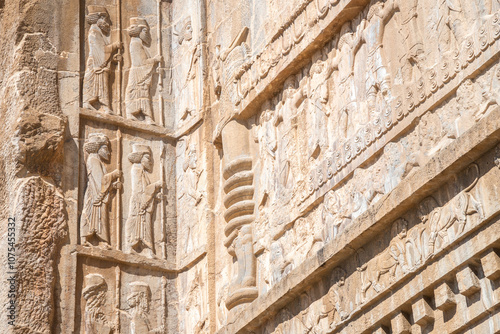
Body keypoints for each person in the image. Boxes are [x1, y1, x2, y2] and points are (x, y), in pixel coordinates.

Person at [81, 133, 121, 249]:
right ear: (97, 148)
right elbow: (101, 180)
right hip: (94, 193)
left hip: (98, 192)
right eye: (105, 149)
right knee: (90, 213)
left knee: (100, 216)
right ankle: (84, 238)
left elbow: (102, 181)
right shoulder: (93, 160)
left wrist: (113, 186)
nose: (108, 152)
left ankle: (102, 240)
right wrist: (113, 175)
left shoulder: (96, 160)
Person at [126, 144, 162, 258]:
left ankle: (146, 249)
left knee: (145, 226)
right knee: (137, 224)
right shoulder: (136, 170)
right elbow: (140, 190)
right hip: (139, 202)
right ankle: (132, 246)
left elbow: (145, 190)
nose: (150, 161)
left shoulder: (141, 172)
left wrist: (155, 196)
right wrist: (156, 185)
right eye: (147, 158)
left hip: (143, 202)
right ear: (140, 158)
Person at [83, 6, 121, 114]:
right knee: (99, 84)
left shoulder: (96, 31)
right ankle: (102, 106)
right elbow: (101, 50)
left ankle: (99, 104)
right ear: (98, 18)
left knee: (99, 84)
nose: (107, 23)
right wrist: (115, 46)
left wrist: (112, 59)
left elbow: (101, 51)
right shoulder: (94, 32)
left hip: (98, 61)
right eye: (105, 19)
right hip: (96, 63)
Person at [125, 17, 163, 124]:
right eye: (145, 31)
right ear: (139, 31)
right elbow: (142, 62)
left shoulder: (137, 43)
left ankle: (145, 116)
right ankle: (137, 115)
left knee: (141, 93)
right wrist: (155, 60)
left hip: (139, 73)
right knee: (138, 92)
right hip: (138, 73)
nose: (147, 35)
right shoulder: (136, 43)